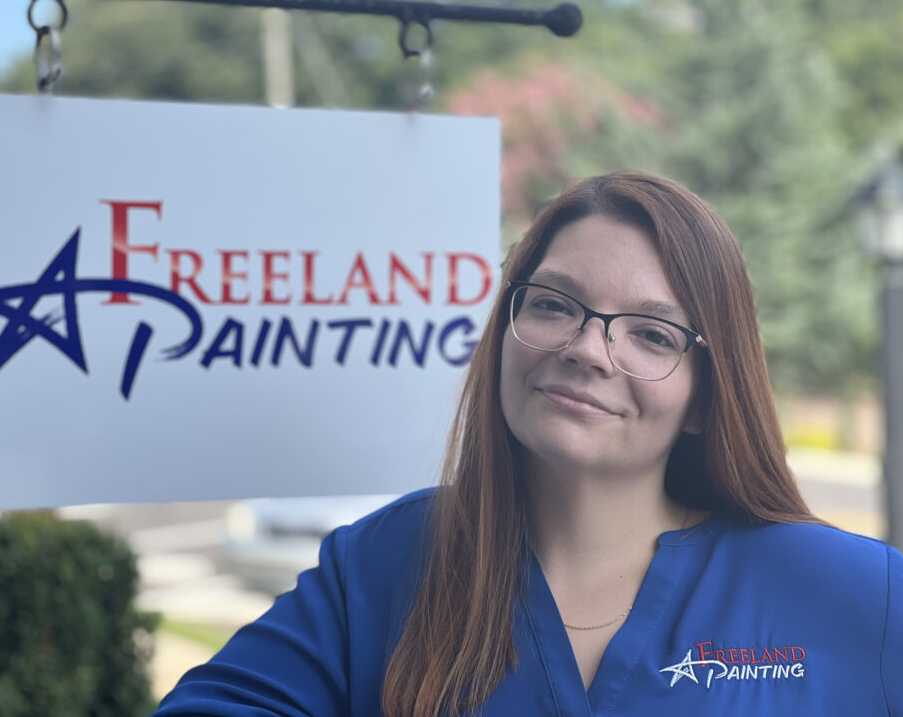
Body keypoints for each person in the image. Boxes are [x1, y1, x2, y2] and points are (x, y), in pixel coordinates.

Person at [154, 172, 903, 716]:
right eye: (554, 305)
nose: (588, 349)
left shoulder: (862, 596)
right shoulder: (382, 566)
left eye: (650, 332)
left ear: (707, 395)